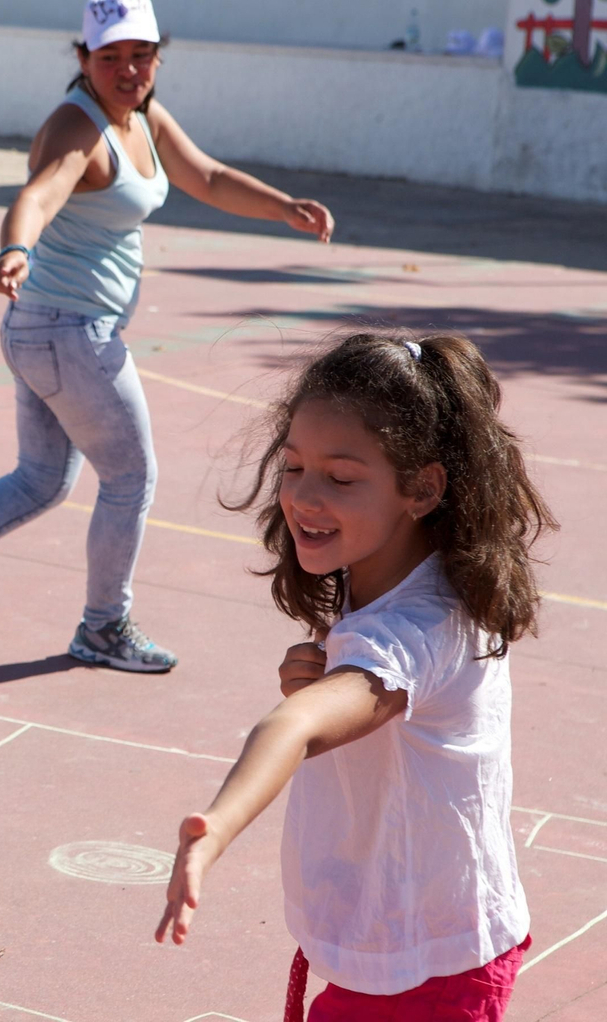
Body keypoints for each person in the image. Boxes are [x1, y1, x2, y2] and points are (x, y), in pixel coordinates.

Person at [0, 0, 335, 671]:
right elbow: (40, 193)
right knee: (131, 478)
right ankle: (103, 628)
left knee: (41, 480)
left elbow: (205, 175)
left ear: (157, 58)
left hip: (44, 332)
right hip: (69, 334)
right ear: (83, 57)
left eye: (141, 56)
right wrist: (14, 248)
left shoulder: (143, 117)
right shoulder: (76, 128)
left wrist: (282, 207)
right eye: (110, 56)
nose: (128, 69)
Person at [155, 333, 553, 1019]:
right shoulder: (397, 584)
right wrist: (328, 678)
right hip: (420, 942)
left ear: (424, 488)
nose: (305, 496)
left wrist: (214, 828)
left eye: (340, 478)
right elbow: (342, 707)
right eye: (292, 467)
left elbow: (296, 726)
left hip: (428, 975)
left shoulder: (413, 627)